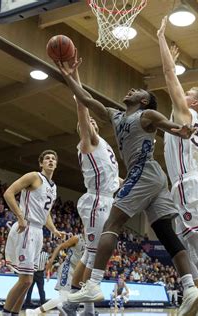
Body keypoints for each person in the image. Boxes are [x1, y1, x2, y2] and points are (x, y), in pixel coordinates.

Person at [57, 53, 198, 316]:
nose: (131, 90)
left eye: (137, 90)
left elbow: (167, 124)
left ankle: (93, 284)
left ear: (144, 100)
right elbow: (86, 99)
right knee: (165, 232)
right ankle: (190, 287)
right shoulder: (115, 116)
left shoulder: (146, 114)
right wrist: (69, 76)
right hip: (155, 180)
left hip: (143, 171)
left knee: (111, 223)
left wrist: (179, 129)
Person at [157, 16, 198, 316]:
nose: (182, 96)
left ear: (193, 104)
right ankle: (194, 303)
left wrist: (160, 39)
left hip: (188, 184)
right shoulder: (183, 122)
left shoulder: (187, 116)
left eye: (187, 95)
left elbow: (169, 74)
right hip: (185, 187)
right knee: (185, 252)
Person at [60, 56, 120, 316]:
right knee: (95, 254)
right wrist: (73, 76)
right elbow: (83, 107)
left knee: (88, 255)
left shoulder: (105, 148)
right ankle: (71, 304)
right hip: (96, 201)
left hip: (107, 199)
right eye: (87, 125)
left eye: (94, 123)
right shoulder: (87, 145)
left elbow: (117, 180)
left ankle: (85, 308)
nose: (92, 123)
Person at [2, 150, 64, 316]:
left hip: (38, 231)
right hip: (26, 228)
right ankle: (6, 313)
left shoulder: (54, 187)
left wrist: (53, 229)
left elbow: (46, 213)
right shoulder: (34, 177)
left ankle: (14, 313)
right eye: (47, 159)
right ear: (41, 163)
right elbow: (8, 193)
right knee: (26, 279)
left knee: (27, 282)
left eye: (53, 159)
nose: (50, 161)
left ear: (56, 164)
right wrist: (20, 216)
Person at [28, 234, 85, 315]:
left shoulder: (92, 243)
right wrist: (51, 261)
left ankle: (34, 312)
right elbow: (60, 247)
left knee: (69, 303)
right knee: (63, 299)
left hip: (79, 272)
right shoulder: (77, 238)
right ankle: (35, 312)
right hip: (67, 268)